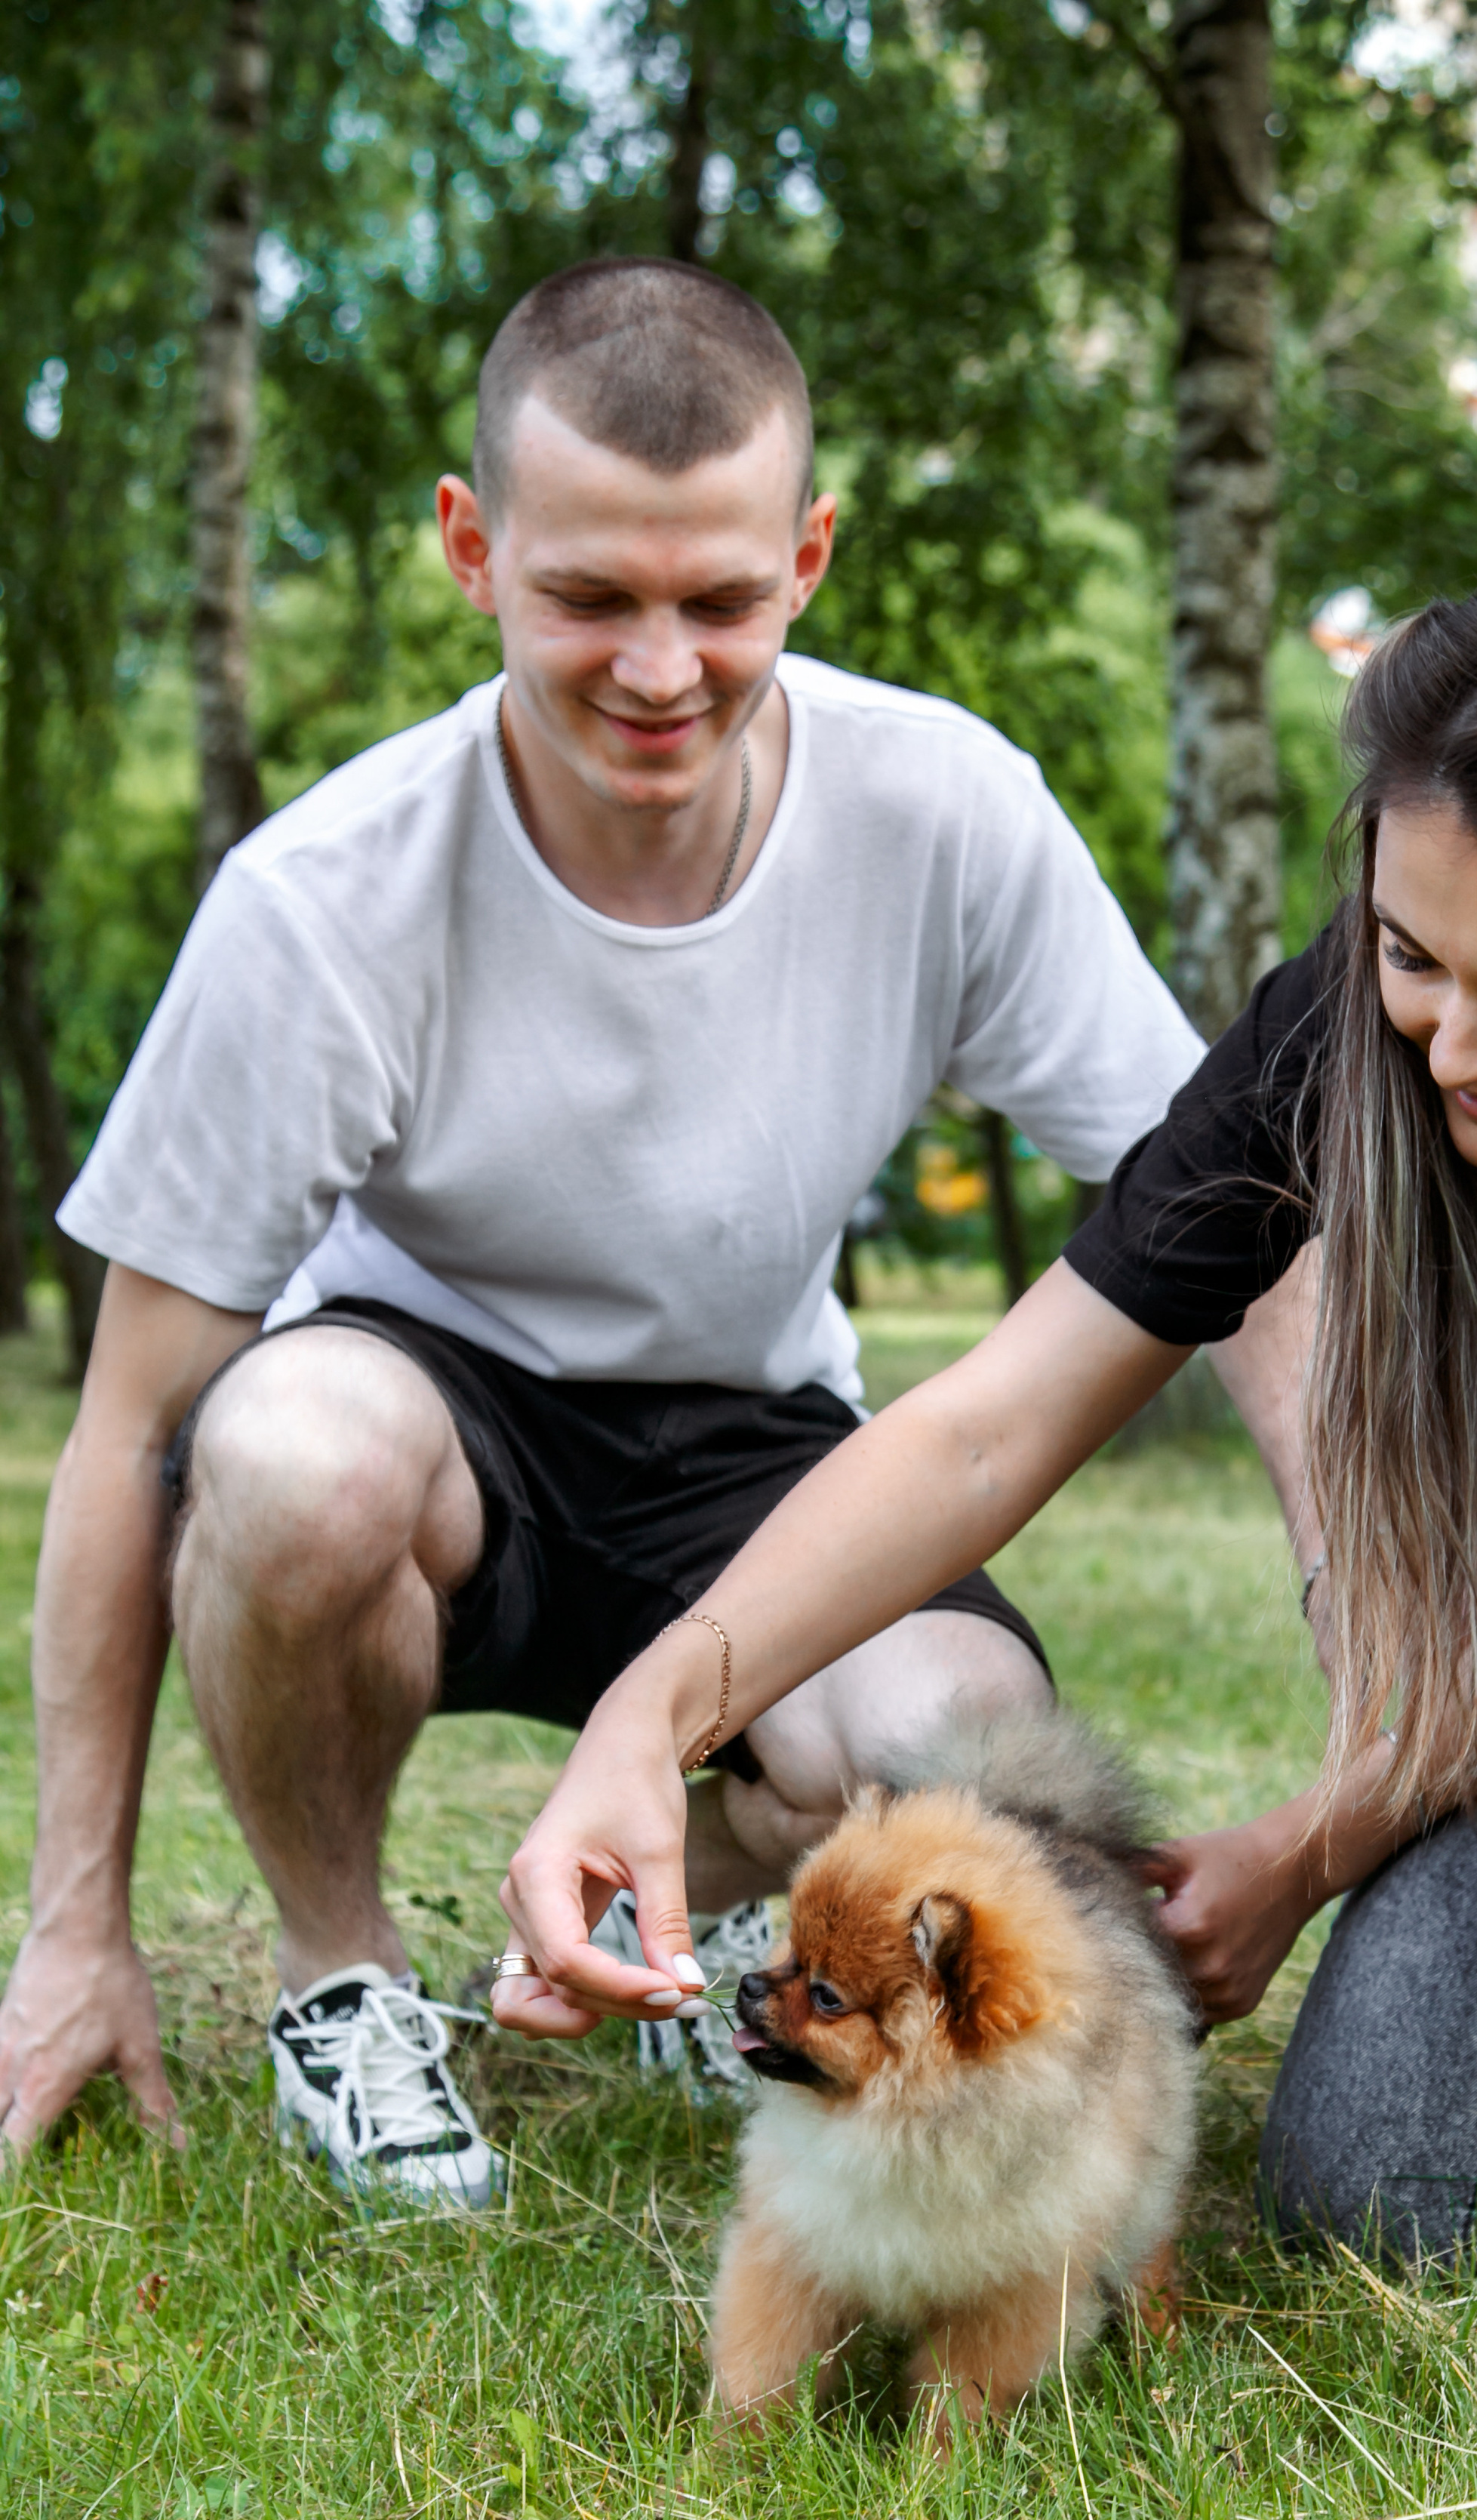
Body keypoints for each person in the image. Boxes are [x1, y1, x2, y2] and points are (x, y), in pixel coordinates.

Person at [498, 544, 1477, 2379]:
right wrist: (650, 1712)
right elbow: (983, 1420)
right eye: (1412, 956)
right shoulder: (1345, 1049)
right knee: (1392, 2205)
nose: (1451, 1047)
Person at [0, 257, 1208, 2195]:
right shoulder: (320, 898)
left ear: (806, 555)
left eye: (720, 599)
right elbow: (132, 1430)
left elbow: (1221, 1203)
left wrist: (1370, 1629)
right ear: (473, 550)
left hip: (750, 1443)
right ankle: (342, 1987)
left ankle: (704, 1931)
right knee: (286, 1455)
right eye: (588, 599)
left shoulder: (946, 813)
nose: (661, 670)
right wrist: (75, 1927)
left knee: (962, 1725)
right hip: (431, 1427)